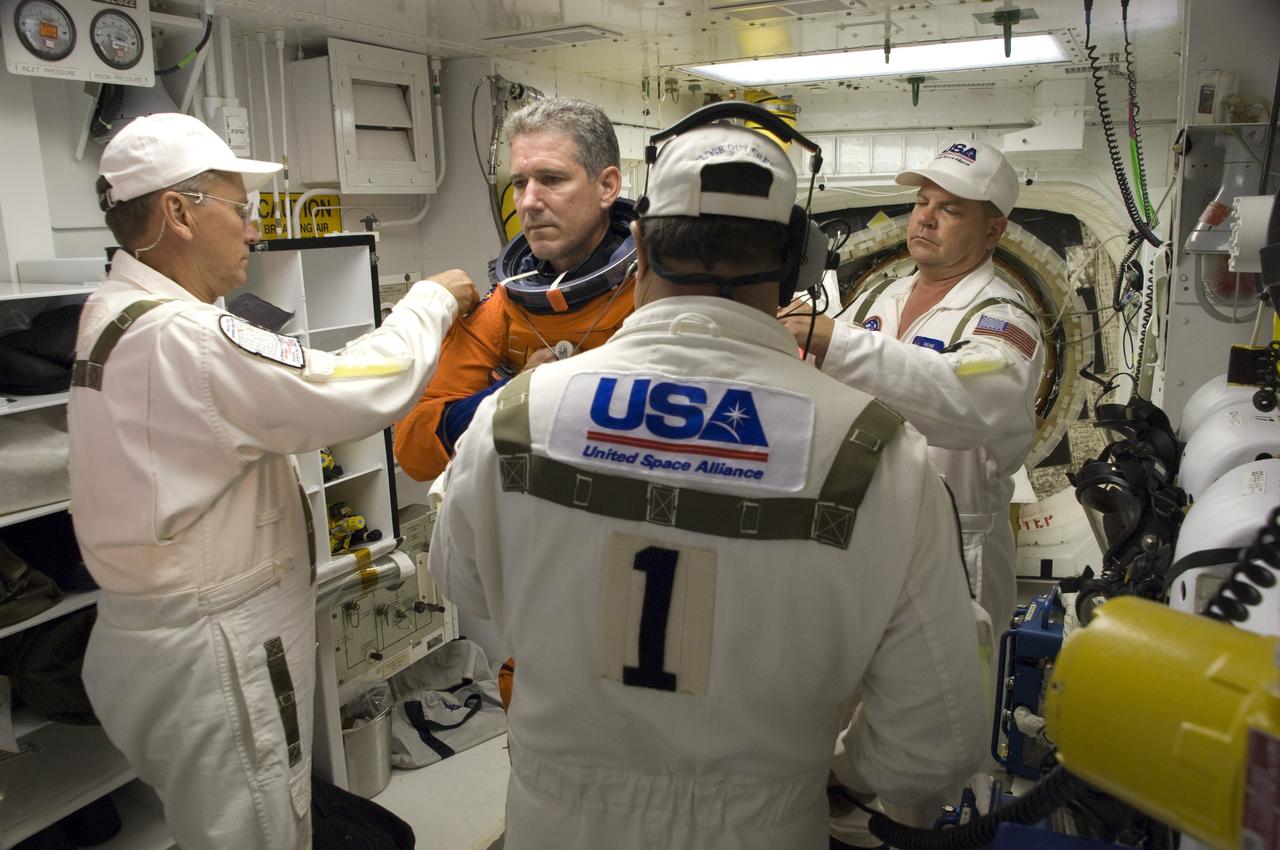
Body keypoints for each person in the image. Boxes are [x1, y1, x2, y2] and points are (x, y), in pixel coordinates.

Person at [428, 109, 987, 850]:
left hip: (552, 823)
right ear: (794, 262)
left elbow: (460, 586)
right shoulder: (877, 452)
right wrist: (838, 773)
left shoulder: (515, 415)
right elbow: (935, 744)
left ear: (638, 243)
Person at [68, 112, 476, 850]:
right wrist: (431, 302)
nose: (253, 230)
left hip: (155, 637)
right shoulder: (184, 337)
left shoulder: (114, 313)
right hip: (216, 647)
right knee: (258, 832)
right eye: (240, 208)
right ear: (178, 213)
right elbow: (361, 389)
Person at [782, 139, 1045, 633]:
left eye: (949, 209)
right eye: (922, 203)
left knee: (946, 701)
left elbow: (962, 404)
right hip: (863, 528)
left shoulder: (1002, 318)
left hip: (954, 546)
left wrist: (830, 339)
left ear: (993, 231)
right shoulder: (880, 297)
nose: (925, 218)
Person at [393, 97, 637, 483]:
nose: (528, 202)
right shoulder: (508, 305)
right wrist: (515, 393)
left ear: (607, 186)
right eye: (520, 183)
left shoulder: (655, 295)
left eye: (552, 180)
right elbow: (414, 447)